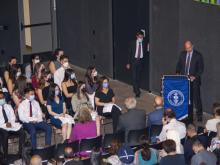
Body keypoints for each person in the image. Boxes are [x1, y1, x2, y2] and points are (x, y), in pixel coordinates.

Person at [176, 41, 204, 121]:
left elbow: (201, 69)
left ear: (192, 46)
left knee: (196, 98)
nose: (187, 49)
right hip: (184, 80)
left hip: (194, 81)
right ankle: (187, 113)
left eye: (189, 48)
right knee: (185, 97)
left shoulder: (198, 55)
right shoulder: (182, 54)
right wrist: (177, 72)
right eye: (186, 48)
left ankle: (199, 115)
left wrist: (194, 76)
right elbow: (179, 64)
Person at [0, 91, 25, 160]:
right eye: (0, 98)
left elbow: (13, 117)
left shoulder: (8, 106)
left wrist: (10, 122)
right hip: (1, 127)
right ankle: (5, 155)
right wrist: (5, 124)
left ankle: (20, 153)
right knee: (4, 134)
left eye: (2, 97)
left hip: (11, 125)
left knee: (22, 132)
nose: (2, 99)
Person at [126, 30, 148, 98]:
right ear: (137, 36)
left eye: (142, 37)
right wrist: (128, 63)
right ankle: (137, 92)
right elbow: (129, 53)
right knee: (134, 77)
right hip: (133, 61)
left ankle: (135, 88)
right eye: (139, 37)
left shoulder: (144, 43)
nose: (141, 38)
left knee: (138, 77)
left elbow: (145, 52)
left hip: (140, 62)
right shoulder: (132, 43)